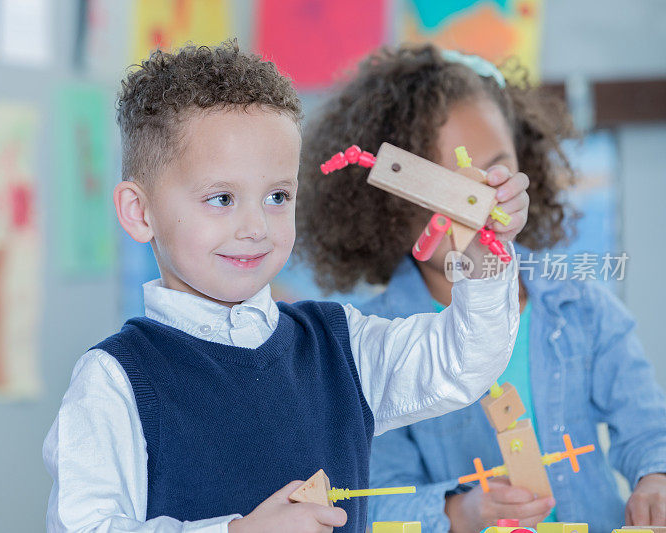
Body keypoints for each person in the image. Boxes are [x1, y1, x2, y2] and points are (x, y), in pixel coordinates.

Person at [43, 40, 530, 533]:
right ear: (138, 211)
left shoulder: (342, 346)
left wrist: (484, 257)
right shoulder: (114, 380)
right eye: (222, 198)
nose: (256, 226)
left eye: (277, 196)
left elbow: (463, 363)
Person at [296, 43, 666, 533]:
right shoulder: (375, 343)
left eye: (493, 172)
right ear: (386, 212)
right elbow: (372, 496)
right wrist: (461, 513)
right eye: (445, 187)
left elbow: (645, 425)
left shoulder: (580, 306)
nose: (476, 204)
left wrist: (655, 479)